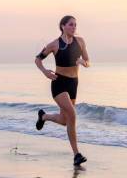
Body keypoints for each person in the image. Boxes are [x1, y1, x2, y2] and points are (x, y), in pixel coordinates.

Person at [34, 15, 90, 166]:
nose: (74, 27)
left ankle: (43, 117)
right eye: (71, 25)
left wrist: (82, 62)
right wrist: (45, 72)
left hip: (73, 83)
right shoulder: (54, 44)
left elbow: (88, 62)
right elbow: (38, 59)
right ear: (63, 26)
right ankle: (76, 154)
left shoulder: (80, 41)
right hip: (59, 83)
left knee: (65, 121)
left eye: (75, 25)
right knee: (72, 114)